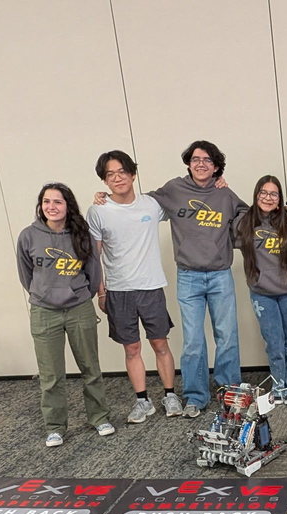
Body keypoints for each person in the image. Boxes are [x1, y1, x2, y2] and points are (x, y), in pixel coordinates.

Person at [95, 142, 248, 418]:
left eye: (208, 160)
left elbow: (246, 215)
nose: (201, 164)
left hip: (220, 275)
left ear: (216, 167)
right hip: (188, 276)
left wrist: (231, 238)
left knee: (226, 336)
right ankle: (195, 396)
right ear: (188, 163)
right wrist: (105, 196)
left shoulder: (224, 193)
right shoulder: (174, 189)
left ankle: (229, 390)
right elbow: (133, 202)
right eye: (196, 159)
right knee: (193, 340)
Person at [86, 150, 181, 424]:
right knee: (132, 349)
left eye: (122, 172)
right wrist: (101, 291)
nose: (117, 178)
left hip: (151, 287)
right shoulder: (98, 211)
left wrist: (219, 180)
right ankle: (142, 401)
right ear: (104, 181)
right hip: (119, 291)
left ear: (132, 174)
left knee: (160, 343)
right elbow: (96, 256)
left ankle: (170, 395)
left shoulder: (151, 205)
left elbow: (183, 191)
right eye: (110, 175)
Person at [17, 183, 114, 447]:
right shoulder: (28, 236)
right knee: (51, 374)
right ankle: (55, 427)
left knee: (90, 367)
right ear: (41, 206)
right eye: (46, 202)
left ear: (67, 205)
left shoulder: (81, 234)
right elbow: (26, 274)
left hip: (79, 308)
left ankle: (99, 417)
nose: (52, 207)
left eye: (57, 202)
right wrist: (43, 293)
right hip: (44, 311)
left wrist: (81, 294)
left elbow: (94, 272)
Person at [233, 175, 287, 403]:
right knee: (273, 341)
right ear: (256, 195)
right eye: (263, 192)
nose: (268, 197)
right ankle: (278, 385)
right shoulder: (244, 222)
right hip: (262, 293)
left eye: (273, 194)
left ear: (279, 198)